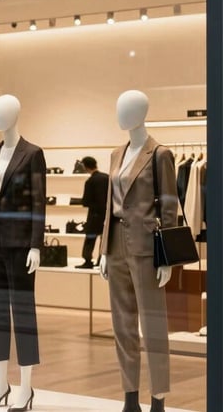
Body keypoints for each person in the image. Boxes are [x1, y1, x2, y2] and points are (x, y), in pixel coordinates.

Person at [99, 90, 174, 412]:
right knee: (122, 325)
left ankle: (158, 398)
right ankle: (130, 397)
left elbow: (169, 207)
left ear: (142, 112)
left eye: (127, 108)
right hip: (116, 244)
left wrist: (166, 258)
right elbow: (109, 205)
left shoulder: (159, 154)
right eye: (119, 107)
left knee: (153, 325)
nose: (121, 113)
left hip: (145, 248)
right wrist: (104, 249)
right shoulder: (116, 154)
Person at [0, 94, 45, 412]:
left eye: (2, 112)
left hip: (19, 244)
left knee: (23, 312)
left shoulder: (32, 154)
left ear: (16, 115)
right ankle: (1, 383)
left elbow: (38, 201)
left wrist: (36, 244)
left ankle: (26, 387)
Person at [75, 156, 109, 269]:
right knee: (104, 240)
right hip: (107, 214)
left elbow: (85, 202)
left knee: (90, 239)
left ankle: (87, 261)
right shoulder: (107, 178)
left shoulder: (90, 181)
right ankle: (101, 261)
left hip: (94, 215)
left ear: (85, 166)